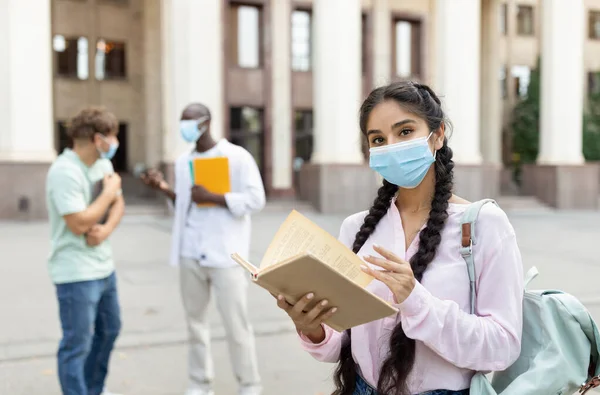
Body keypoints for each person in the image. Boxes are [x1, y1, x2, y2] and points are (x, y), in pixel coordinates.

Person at [274, 81, 524, 395]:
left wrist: (415, 300)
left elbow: (502, 347)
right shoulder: (356, 228)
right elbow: (344, 344)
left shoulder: (484, 225)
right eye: (378, 139)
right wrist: (311, 327)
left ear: (438, 135)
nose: (390, 146)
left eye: (404, 132)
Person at [140, 103, 264, 395]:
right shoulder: (184, 161)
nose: (185, 127)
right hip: (191, 252)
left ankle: (249, 384)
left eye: (190, 121)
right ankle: (199, 382)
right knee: (195, 324)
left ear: (206, 122)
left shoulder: (237, 157)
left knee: (237, 325)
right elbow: (185, 204)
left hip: (226, 255)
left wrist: (217, 197)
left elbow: (256, 200)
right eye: (181, 121)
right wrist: (164, 189)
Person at [46, 107, 125, 395]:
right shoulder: (64, 171)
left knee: (109, 330)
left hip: (104, 268)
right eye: (113, 138)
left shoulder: (102, 167)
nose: (115, 145)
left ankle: (93, 389)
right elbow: (78, 222)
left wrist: (105, 230)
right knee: (76, 344)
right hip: (75, 273)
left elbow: (119, 204)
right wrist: (107, 193)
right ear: (98, 139)